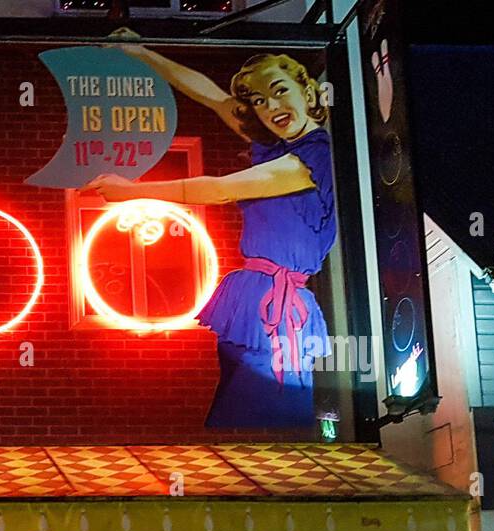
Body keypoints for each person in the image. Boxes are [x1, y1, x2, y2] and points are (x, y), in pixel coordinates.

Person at [92, 42, 336, 429]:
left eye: (279, 90)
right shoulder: (273, 146)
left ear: (306, 91)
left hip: (277, 310)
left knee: (259, 423)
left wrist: (132, 190)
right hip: (253, 299)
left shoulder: (315, 156)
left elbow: (219, 189)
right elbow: (212, 96)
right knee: (242, 420)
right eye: (259, 100)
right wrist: (144, 54)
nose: (271, 107)